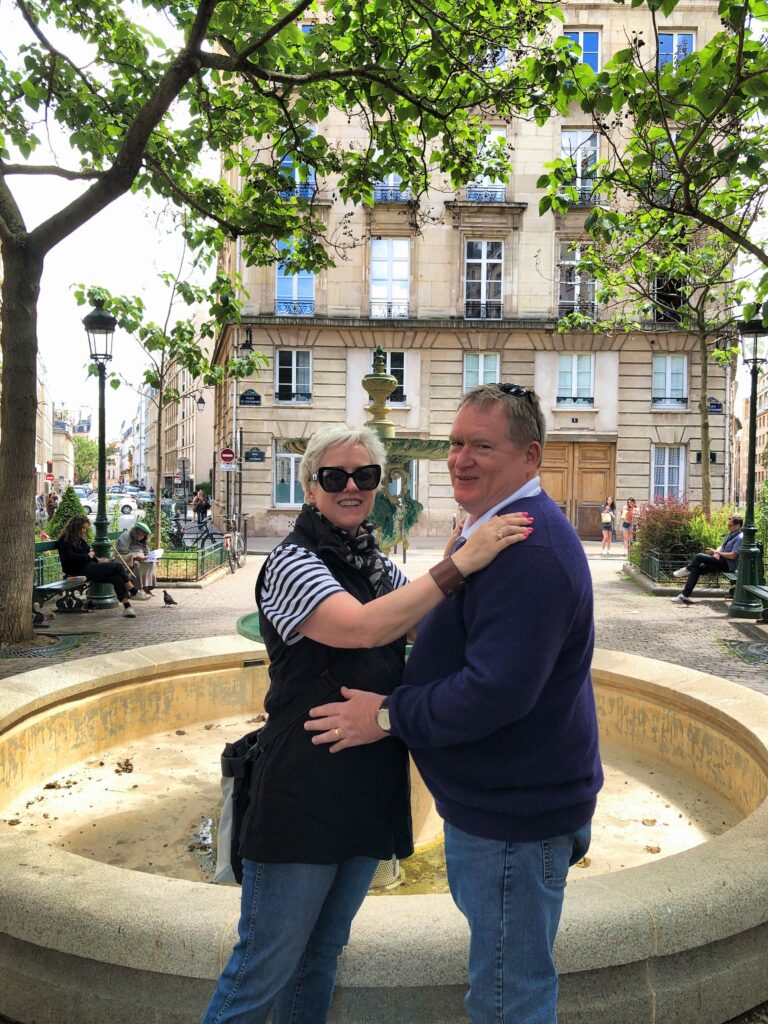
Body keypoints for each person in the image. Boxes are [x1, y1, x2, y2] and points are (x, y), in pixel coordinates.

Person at [202, 423, 532, 1024]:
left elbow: (422, 626)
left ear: (380, 484)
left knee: (322, 955)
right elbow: (358, 627)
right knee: (261, 969)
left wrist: (473, 559)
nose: (351, 487)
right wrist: (458, 566)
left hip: (366, 783)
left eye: (366, 475)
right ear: (310, 485)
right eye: (335, 477)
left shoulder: (375, 563)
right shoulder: (291, 562)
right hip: (301, 790)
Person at [307, 385, 603, 1024]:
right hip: (503, 809)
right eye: (455, 444)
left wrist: (387, 715)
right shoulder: (492, 532)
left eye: (482, 447)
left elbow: (493, 692)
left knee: (506, 1001)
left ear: (531, 457)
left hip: (514, 821)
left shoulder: (531, 551)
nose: (460, 460)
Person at [55, 515, 141, 618]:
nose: (84, 531)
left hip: (87, 567)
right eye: (83, 528)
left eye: (86, 529)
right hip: (77, 570)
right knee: (117, 566)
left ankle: (127, 608)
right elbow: (70, 558)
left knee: (116, 577)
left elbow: (88, 555)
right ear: (75, 527)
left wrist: (98, 560)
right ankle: (133, 590)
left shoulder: (79, 541)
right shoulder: (63, 541)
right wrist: (87, 557)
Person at [670, 515, 744, 605]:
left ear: (738, 526)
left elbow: (732, 556)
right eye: (728, 525)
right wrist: (716, 552)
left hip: (728, 565)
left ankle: (686, 570)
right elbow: (722, 546)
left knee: (699, 556)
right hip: (720, 561)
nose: (728, 527)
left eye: (730, 525)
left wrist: (717, 553)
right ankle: (684, 596)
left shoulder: (740, 538)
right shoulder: (731, 534)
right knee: (696, 569)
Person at [116, 521, 155, 598]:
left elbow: (147, 551)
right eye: (140, 534)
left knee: (151, 563)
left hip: (141, 558)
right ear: (135, 532)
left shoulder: (144, 539)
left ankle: (147, 587)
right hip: (128, 559)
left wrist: (150, 557)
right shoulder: (126, 536)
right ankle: (136, 590)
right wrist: (135, 557)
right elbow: (122, 552)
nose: (141, 537)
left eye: (143, 535)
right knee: (137, 564)